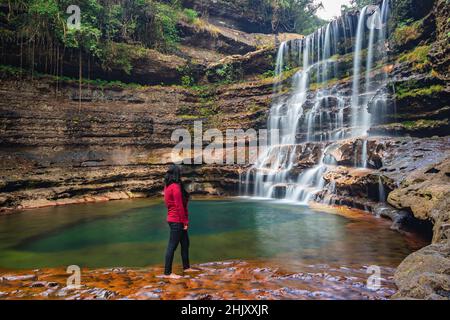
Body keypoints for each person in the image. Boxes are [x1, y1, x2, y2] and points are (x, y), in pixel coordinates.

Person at [162, 164, 197, 278]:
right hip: (177, 220)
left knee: (185, 243)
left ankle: (186, 268)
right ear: (177, 173)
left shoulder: (167, 186)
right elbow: (179, 206)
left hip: (173, 219)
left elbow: (168, 203)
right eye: (180, 172)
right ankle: (167, 273)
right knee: (172, 246)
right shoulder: (175, 187)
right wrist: (185, 222)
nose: (181, 174)